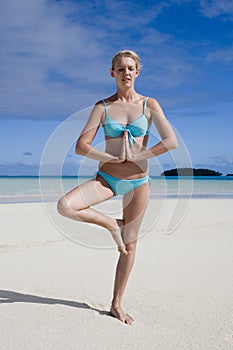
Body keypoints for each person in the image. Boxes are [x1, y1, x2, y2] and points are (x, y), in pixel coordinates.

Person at [57, 50, 178, 325]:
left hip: (138, 182)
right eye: (121, 69)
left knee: (129, 246)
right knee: (65, 206)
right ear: (112, 73)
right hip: (107, 179)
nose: (126, 73)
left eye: (131, 69)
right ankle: (112, 225)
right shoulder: (102, 107)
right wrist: (111, 158)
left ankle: (116, 304)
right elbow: (81, 147)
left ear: (138, 73)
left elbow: (171, 141)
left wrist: (139, 156)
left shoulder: (149, 105)